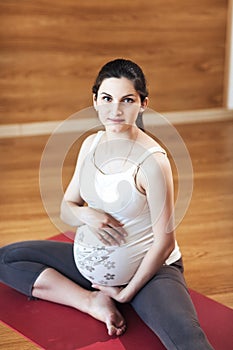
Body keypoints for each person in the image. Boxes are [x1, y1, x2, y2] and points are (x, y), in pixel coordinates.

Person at [0, 59, 214, 349]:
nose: (115, 110)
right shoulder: (91, 144)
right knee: (7, 257)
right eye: (107, 98)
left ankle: (121, 297)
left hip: (148, 272)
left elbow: (164, 242)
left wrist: (126, 293)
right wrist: (86, 214)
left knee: (187, 339)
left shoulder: (152, 162)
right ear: (95, 100)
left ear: (143, 104)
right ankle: (91, 301)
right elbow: (67, 208)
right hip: (92, 265)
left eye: (127, 99)